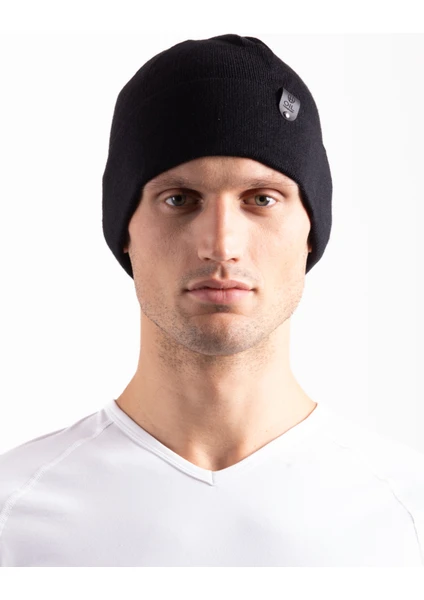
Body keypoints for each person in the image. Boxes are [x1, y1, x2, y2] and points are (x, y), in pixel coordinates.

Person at [1, 34, 423, 568]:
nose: (221, 245)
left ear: (312, 231)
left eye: (261, 199)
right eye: (179, 199)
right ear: (123, 229)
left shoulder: (406, 515)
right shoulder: (15, 514)